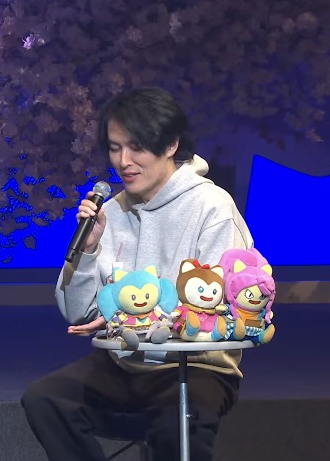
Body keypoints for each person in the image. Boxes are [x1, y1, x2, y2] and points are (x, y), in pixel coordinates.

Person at [21, 87, 253, 461]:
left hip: (195, 366)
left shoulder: (212, 208)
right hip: (125, 363)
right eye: (115, 148)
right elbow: (78, 313)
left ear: (171, 144)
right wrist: (89, 249)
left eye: (136, 147)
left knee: (175, 425)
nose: (123, 161)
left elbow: (217, 305)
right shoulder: (110, 212)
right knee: (46, 399)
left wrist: (131, 318)